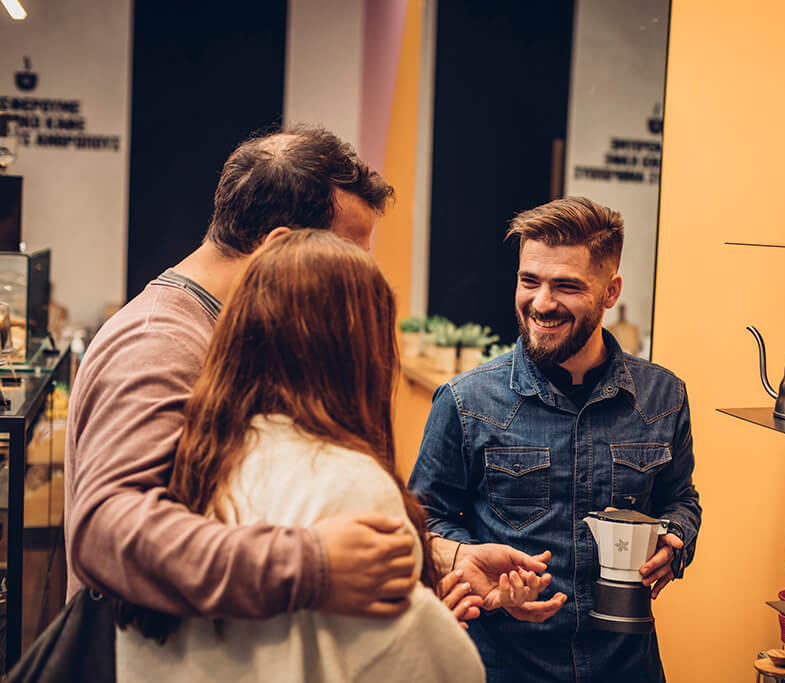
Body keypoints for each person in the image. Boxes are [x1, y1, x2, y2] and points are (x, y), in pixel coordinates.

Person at [65, 126, 543, 625]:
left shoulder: (227, 335)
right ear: (282, 249)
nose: (357, 282)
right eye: (349, 258)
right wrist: (313, 565)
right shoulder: (158, 342)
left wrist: (446, 556)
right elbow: (106, 530)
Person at [114, 230, 486, 682]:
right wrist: (433, 632)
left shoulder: (186, 459)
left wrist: (422, 611)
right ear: (360, 353)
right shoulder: (351, 483)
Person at [408, 196, 703, 682]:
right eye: (530, 281)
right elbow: (424, 521)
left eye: (565, 286)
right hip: (503, 664)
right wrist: (481, 573)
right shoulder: (465, 401)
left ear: (611, 292)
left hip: (626, 666)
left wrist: (677, 540)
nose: (541, 303)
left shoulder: (663, 396)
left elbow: (681, 498)